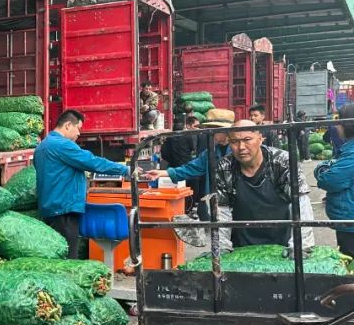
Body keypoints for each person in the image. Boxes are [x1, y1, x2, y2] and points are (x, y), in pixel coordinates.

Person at [149, 120, 314, 252]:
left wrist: (300, 244)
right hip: (242, 240)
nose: (241, 147)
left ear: (260, 138)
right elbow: (222, 210)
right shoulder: (224, 166)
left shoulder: (283, 162)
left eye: (247, 140)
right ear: (230, 140)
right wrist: (222, 247)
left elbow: (301, 203)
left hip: (281, 238)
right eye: (235, 141)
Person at [34, 109, 132, 258]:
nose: (79, 133)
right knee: (68, 257)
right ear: (68, 125)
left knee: (55, 257)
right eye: (78, 128)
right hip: (64, 210)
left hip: (50, 209)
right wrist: (125, 170)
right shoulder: (62, 145)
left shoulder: (42, 146)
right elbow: (93, 162)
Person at [314, 104, 354, 256]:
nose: (337, 127)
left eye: (339, 122)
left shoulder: (352, 153)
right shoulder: (348, 149)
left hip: (350, 223)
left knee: (349, 260)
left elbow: (329, 180)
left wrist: (321, 169)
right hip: (348, 221)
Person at [160, 115, 202, 210]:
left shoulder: (169, 138)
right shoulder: (188, 136)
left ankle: (178, 208)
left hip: (174, 167)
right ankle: (189, 208)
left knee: (177, 190)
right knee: (191, 188)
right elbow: (193, 148)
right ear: (184, 125)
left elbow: (164, 153)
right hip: (187, 166)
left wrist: (171, 161)